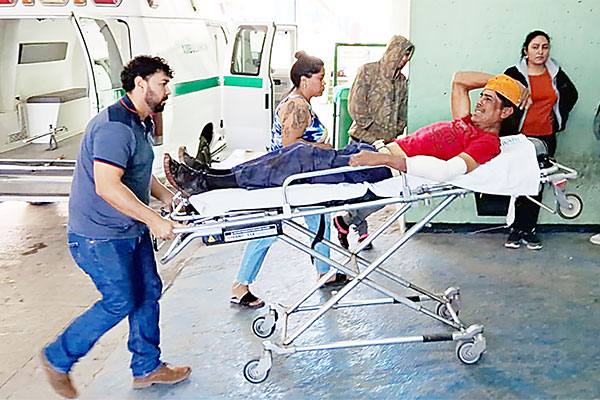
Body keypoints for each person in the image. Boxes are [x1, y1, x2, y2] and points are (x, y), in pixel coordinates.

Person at [40, 56, 190, 399]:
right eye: (162, 83)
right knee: (120, 300)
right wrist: (153, 218)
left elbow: (138, 170)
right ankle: (57, 358)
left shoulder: (142, 121)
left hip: (129, 228)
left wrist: (167, 198)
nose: (168, 90)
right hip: (98, 235)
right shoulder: (114, 127)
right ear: (140, 84)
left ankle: (147, 368)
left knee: (148, 292)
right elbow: (108, 186)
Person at [165, 72, 524, 205]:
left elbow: (447, 172)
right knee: (296, 153)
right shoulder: (467, 122)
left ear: (506, 113)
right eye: (482, 96)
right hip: (374, 153)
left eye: (489, 100)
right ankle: (211, 175)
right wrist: (506, 84)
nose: (480, 102)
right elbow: (460, 79)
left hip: (382, 168)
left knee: (298, 158)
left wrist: (383, 159)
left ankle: (208, 183)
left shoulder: (487, 143)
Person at [335, 35, 414, 250]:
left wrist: (395, 131)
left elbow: (403, 110)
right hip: (362, 140)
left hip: (385, 146)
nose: (404, 60)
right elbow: (355, 104)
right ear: (392, 52)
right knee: (357, 188)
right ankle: (361, 231)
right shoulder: (368, 71)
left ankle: (346, 221)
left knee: (382, 191)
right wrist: (371, 128)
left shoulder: (401, 82)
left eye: (408, 56)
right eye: (402, 55)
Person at [503, 30, 578, 250]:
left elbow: (571, 95)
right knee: (518, 180)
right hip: (518, 138)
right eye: (535, 47)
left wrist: (557, 118)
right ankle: (515, 229)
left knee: (537, 182)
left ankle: (529, 230)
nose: (540, 52)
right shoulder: (513, 74)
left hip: (545, 137)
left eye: (545, 47)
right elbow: (499, 98)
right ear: (525, 50)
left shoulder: (555, 74)